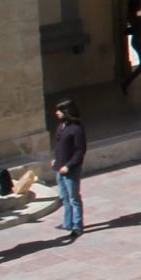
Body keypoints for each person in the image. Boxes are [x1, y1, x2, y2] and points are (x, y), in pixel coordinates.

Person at [53, 99, 86, 239]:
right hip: (59, 167)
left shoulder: (76, 129)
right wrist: (56, 160)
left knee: (74, 198)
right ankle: (67, 223)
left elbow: (80, 150)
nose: (56, 113)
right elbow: (59, 145)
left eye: (59, 111)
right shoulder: (61, 126)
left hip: (70, 169)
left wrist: (68, 165)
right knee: (64, 197)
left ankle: (77, 226)